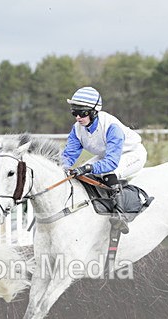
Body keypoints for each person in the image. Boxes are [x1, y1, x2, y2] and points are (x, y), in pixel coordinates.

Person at [61, 86, 147, 232]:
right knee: (81, 176)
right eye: (74, 113)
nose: (78, 117)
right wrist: (61, 169)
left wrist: (88, 168)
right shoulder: (77, 129)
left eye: (82, 113)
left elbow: (111, 163)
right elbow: (68, 156)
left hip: (132, 154)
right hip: (107, 155)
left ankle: (120, 215)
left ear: (94, 112)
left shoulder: (112, 127)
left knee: (108, 173)